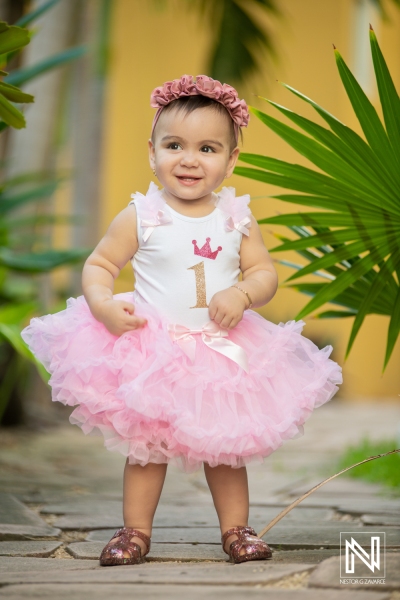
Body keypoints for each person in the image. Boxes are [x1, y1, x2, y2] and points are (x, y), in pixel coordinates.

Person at [21, 74, 342, 567]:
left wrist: (242, 291)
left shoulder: (236, 218)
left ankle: (237, 530)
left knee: (226, 450)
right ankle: (136, 531)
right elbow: (100, 265)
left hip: (219, 350)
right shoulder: (142, 215)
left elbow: (264, 273)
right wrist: (105, 305)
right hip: (153, 352)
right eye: (175, 145)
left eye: (208, 148)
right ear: (152, 152)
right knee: (147, 450)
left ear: (231, 160)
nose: (189, 159)